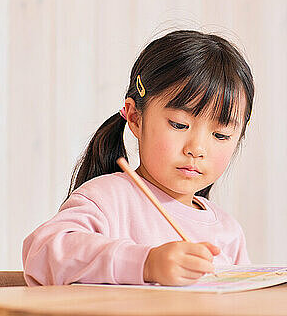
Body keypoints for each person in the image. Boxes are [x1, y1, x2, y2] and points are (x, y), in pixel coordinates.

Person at [23, 30, 254, 286]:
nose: (197, 148)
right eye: (179, 125)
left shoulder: (228, 232)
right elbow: (43, 251)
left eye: (220, 135)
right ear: (135, 117)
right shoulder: (108, 198)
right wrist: (145, 263)